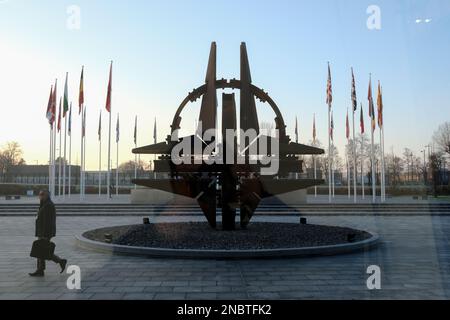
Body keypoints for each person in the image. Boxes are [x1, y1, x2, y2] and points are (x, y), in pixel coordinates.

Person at [29, 190, 67, 277]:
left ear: (47, 195)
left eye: (42, 194)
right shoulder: (44, 204)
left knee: (41, 250)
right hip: (42, 232)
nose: (40, 196)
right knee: (42, 250)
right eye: (39, 194)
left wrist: (45, 235)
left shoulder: (48, 205)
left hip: (45, 233)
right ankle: (58, 262)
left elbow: (48, 222)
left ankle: (41, 269)